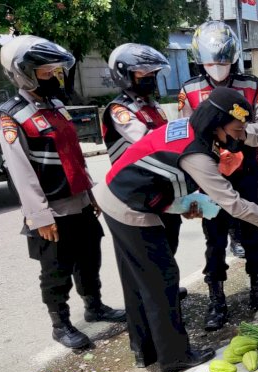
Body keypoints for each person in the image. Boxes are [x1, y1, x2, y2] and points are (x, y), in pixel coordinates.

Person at [93, 87, 258, 372]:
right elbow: (235, 205)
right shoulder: (198, 153)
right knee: (160, 280)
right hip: (128, 205)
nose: (240, 137)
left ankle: (145, 349)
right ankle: (174, 357)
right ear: (217, 122)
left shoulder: (190, 128)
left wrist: (180, 204)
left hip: (126, 193)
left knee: (139, 279)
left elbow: (162, 170)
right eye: (236, 130)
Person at [0, 36, 125, 350]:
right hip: (52, 210)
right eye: (46, 72)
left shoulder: (56, 107)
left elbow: (74, 155)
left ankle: (94, 307)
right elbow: (21, 171)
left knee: (89, 258)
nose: (54, 77)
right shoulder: (11, 115)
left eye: (56, 71)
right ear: (24, 72)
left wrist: (90, 193)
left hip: (78, 201)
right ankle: (60, 323)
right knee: (56, 270)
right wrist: (39, 216)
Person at [180, 21, 258, 330]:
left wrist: (240, 135)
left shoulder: (250, 84)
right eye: (211, 62)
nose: (218, 67)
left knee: (253, 232)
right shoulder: (190, 89)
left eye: (223, 61)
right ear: (199, 60)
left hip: (246, 169)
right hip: (208, 174)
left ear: (234, 57)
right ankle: (216, 300)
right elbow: (185, 133)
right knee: (214, 239)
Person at [102, 43, 189, 302]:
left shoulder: (152, 106)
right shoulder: (120, 111)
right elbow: (149, 142)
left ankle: (164, 291)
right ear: (124, 74)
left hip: (161, 191)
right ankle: (146, 303)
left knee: (166, 246)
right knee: (144, 259)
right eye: (143, 74)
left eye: (153, 74)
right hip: (136, 196)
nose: (150, 79)